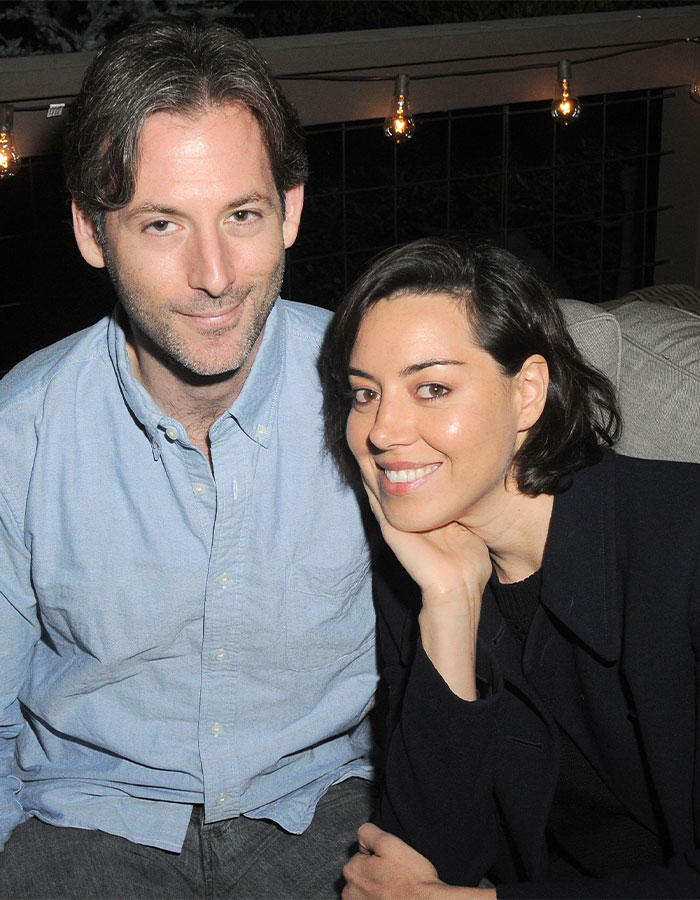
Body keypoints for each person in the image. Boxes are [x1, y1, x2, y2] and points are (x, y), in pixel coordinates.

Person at [0, 19, 378, 900]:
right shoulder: (19, 436)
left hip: (325, 814)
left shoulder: (378, 402)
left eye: (241, 215)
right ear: (95, 235)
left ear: (288, 210)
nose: (215, 273)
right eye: (162, 224)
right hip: (86, 824)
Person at [318, 237, 700, 898]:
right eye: (363, 394)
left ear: (527, 393)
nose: (381, 431)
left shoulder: (682, 545)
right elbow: (421, 858)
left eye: (431, 388)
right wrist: (448, 606)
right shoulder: (415, 575)